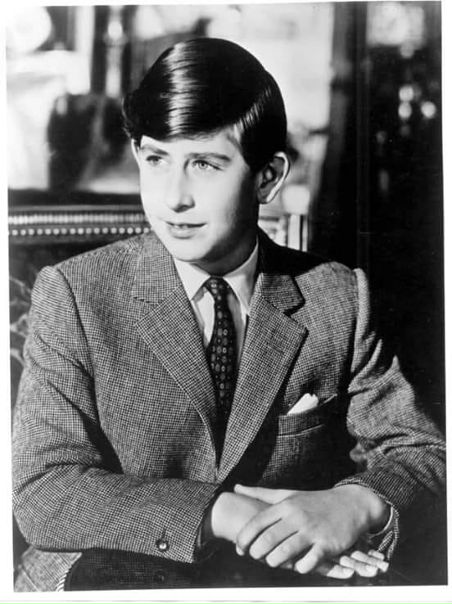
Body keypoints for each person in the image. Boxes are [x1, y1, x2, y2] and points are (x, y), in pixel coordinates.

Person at [13, 37, 445, 592]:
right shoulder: (74, 294)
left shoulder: (338, 297)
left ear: (268, 177)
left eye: (204, 164)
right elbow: (43, 489)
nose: (174, 197)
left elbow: (422, 452)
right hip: (107, 572)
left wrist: (359, 503)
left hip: (272, 578)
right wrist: (220, 512)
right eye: (156, 159)